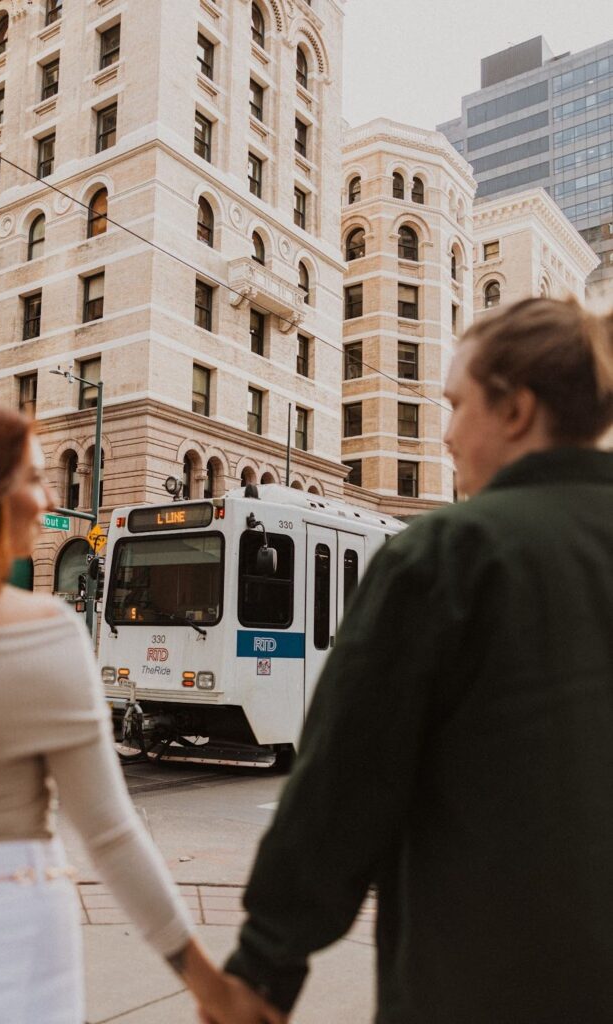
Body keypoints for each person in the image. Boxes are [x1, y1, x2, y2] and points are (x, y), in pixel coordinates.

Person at [220, 296, 613, 1023]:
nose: (445, 436)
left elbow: (345, 785)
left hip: (480, 986)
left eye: (456, 404)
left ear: (517, 410)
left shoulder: (447, 553)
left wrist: (264, 964)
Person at [0, 395, 279, 1024]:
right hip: (3, 936)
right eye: (31, 476)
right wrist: (205, 980)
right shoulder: (45, 631)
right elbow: (109, 833)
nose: (50, 500)